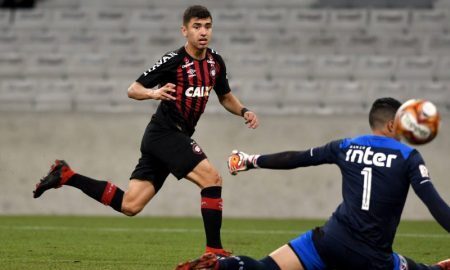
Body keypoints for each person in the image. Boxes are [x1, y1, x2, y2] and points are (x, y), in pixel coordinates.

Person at [33, 5, 259, 257]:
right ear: (185, 31)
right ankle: (213, 252)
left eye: (207, 26)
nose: (203, 31)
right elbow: (133, 88)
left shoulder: (215, 62)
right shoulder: (173, 61)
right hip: (165, 133)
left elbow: (225, 96)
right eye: (196, 26)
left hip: (169, 138)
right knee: (212, 179)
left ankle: (66, 175)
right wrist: (153, 92)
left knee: (131, 205)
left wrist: (243, 111)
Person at [176, 97, 449, 270]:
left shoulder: (346, 145)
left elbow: (297, 158)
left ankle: (221, 267)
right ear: (391, 125)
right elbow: (434, 204)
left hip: (329, 241)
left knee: (265, 267)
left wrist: (251, 160)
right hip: (371, 258)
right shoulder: (408, 156)